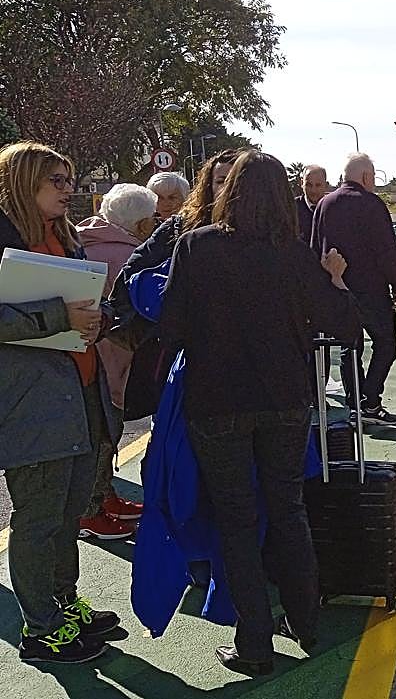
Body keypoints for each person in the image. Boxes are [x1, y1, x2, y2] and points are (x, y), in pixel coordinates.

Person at [159, 151, 359, 676]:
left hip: (217, 399)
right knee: (288, 510)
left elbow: (171, 326)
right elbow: (344, 327)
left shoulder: (196, 248)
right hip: (286, 399)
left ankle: (254, 642)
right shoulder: (294, 254)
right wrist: (334, 279)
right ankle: (306, 619)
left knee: (236, 518)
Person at [0, 142, 124, 665]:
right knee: (39, 519)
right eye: (58, 180)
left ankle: (62, 607)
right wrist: (62, 318)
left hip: (76, 392)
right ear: (25, 182)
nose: (69, 189)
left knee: (69, 513)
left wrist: (100, 316)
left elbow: (78, 306)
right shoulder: (5, 237)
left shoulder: (62, 236)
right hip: (32, 403)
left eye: (70, 179)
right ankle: (41, 629)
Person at [108, 150, 239, 424]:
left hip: (251, 363)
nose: (227, 189)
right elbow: (131, 275)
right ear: (208, 185)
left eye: (236, 180)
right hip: (188, 360)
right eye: (220, 181)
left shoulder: (272, 233)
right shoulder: (180, 228)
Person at [76, 183, 159, 537]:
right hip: (111, 361)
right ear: (141, 224)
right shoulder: (127, 257)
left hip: (86, 357)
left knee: (100, 433)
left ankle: (104, 497)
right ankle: (91, 510)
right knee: (104, 435)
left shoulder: (83, 241)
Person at [311, 153, 396, 424]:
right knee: (386, 344)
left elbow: (316, 247)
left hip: (336, 287)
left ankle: (355, 403)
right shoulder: (372, 204)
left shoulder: (325, 203)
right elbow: (386, 248)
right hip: (372, 288)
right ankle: (370, 400)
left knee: (349, 348)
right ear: (366, 177)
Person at [295, 164, 329, 243]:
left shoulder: (333, 209)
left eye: (318, 185)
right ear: (301, 183)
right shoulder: (291, 209)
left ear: (326, 185)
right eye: (309, 185)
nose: (313, 190)